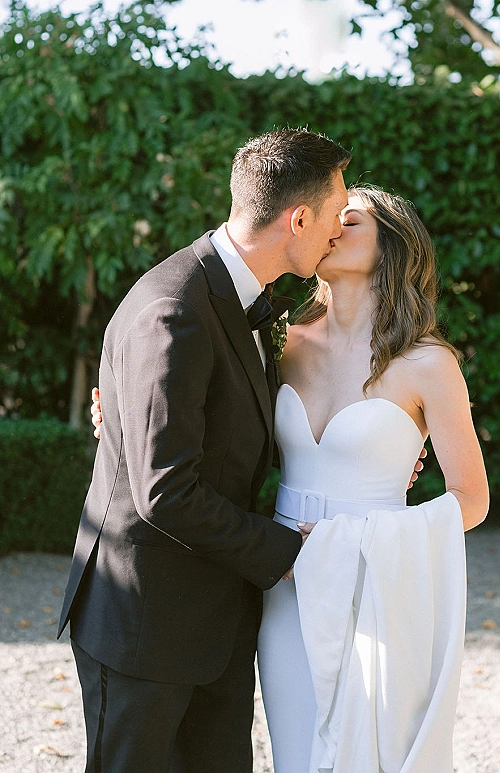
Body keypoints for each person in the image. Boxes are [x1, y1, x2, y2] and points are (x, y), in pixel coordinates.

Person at [57, 128, 355, 773]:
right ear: (298, 218)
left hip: (213, 619)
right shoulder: (176, 308)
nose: (339, 230)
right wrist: (287, 554)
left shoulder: (246, 302)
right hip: (145, 625)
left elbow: (233, 432)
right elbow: (164, 488)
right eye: (336, 214)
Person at [256, 185, 489, 773]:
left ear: (391, 245)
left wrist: (363, 538)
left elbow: (471, 499)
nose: (330, 226)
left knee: (374, 755)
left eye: (349, 219)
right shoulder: (280, 340)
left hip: (380, 581)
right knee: (298, 753)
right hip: (285, 578)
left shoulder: (427, 363)